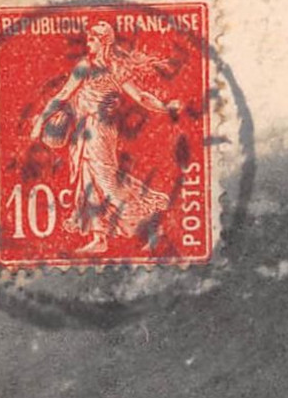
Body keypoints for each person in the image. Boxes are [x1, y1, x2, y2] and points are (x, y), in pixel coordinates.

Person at [27, 21, 181, 255]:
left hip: (101, 131)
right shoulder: (84, 67)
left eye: (92, 39)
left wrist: (165, 107)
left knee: (107, 183)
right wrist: (40, 121)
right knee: (89, 181)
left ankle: (151, 226)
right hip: (83, 130)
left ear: (104, 42)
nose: (88, 43)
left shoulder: (116, 69)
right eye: (89, 39)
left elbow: (140, 96)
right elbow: (63, 95)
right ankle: (100, 238)